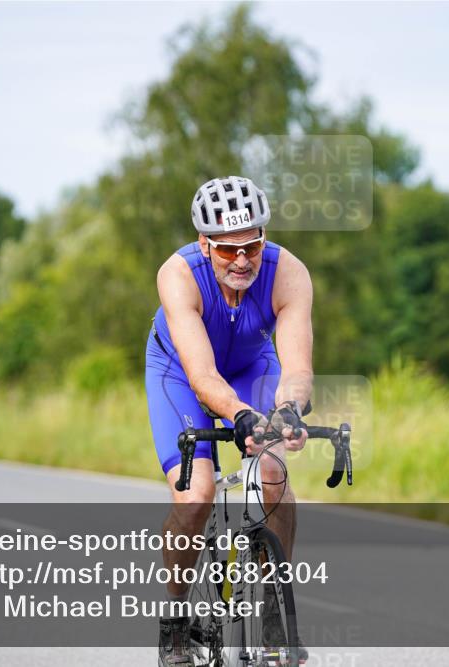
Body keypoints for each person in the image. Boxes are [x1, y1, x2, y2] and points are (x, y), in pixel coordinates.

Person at [147, 176, 313, 665]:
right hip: (178, 372)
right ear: (204, 243)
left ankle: (274, 615)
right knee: (195, 496)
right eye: (227, 250)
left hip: (250, 366)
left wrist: (288, 409)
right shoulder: (177, 274)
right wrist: (240, 416)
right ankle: (176, 621)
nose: (242, 260)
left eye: (252, 246)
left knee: (272, 474)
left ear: (264, 236)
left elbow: (297, 366)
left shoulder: (289, 273)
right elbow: (200, 375)